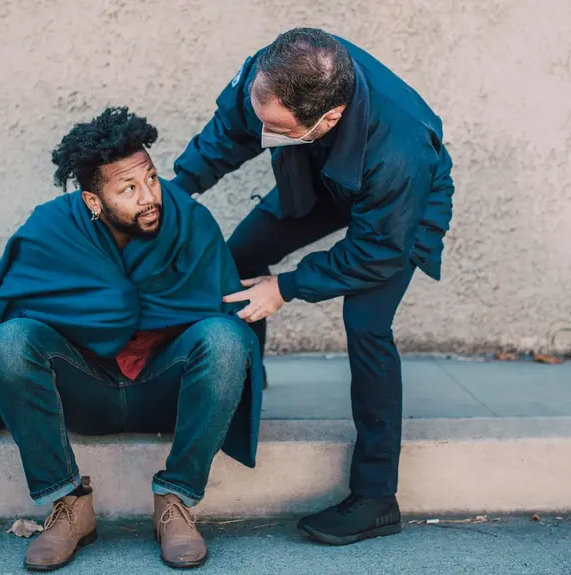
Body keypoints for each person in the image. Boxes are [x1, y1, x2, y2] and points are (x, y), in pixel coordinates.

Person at [172, 28, 455, 545]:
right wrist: (176, 191)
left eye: (273, 127)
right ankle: (235, 393)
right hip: (316, 174)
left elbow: (377, 253)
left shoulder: (401, 152)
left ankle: (376, 497)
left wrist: (286, 288)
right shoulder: (275, 73)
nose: (262, 129)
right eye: (261, 116)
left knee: (366, 324)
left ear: (327, 119)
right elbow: (229, 132)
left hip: (396, 207)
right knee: (238, 262)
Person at [0, 107, 264, 571]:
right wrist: (105, 307)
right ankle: (69, 504)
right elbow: (12, 305)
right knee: (9, 342)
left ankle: (176, 499)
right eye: (128, 188)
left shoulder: (190, 221)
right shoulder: (52, 228)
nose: (149, 196)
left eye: (150, 178)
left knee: (226, 338)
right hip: (84, 386)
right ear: (93, 201)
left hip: (164, 385)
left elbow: (228, 308)